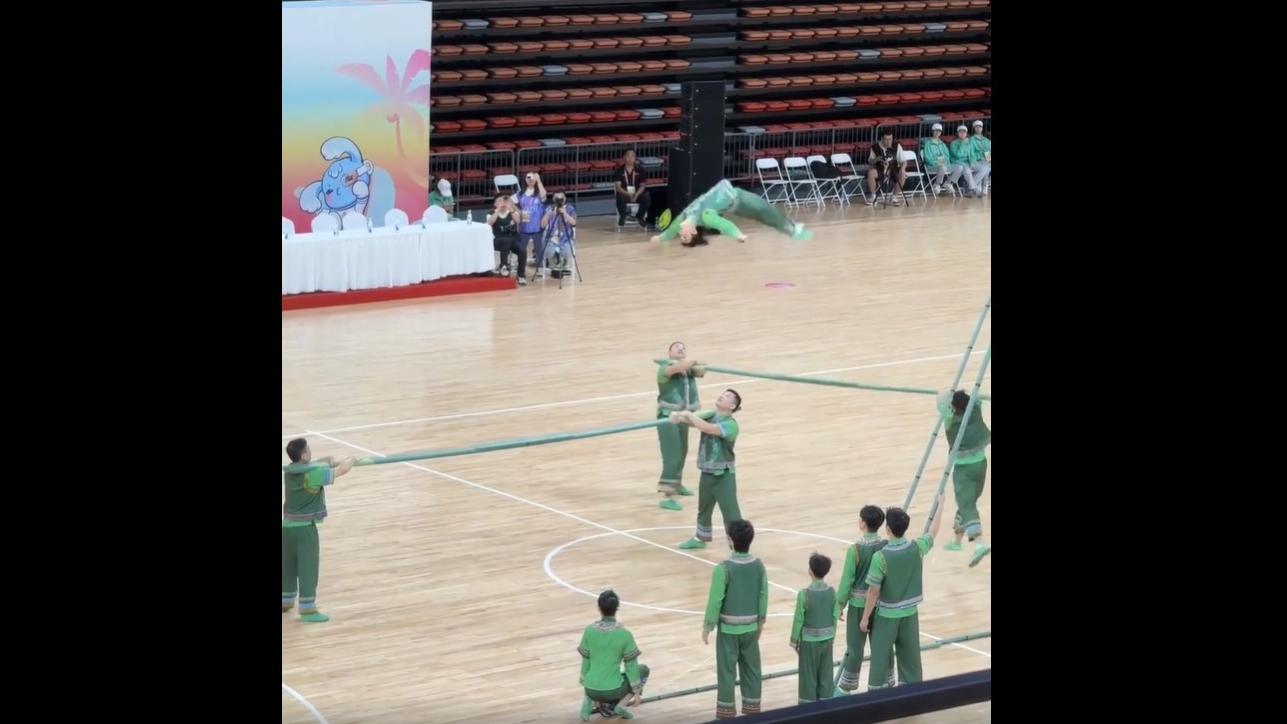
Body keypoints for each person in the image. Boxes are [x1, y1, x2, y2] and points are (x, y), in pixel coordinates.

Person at [859, 495, 945, 689]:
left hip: (887, 616)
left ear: (888, 530)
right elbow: (933, 532)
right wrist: (941, 505)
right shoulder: (916, 548)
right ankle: (912, 697)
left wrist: (865, 618)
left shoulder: (880, 557)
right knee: (911, 660)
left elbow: (873, 592)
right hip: (910, 614)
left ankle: (877, 699)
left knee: (880, 659)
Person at [282, 438, 355, 623]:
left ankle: (285, 600)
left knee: (288, 566)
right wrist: (350, 461)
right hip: (305, 530)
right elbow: (340, 471)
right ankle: (308, 609)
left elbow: (318, 463)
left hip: (287, 528)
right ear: (305, 454)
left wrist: (332, 459)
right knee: (307, 567)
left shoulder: (290, 472)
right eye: (309, 449)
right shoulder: (313, 475)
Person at [702, 519, 767, 720]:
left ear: (730, 540)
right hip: (751, 629)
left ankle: (726, 713)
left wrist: (708, 626)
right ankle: (752, 710)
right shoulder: (759, 566)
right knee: (752, 670)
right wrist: (761, 622)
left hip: (728, 631)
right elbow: (763, 595)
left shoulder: (723, 569)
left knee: (726, 672)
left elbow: (715, 600)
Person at [672, 389, 743, 550]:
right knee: (703, 508)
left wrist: (689, 415)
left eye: (727, 397)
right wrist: (679, 416)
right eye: (723, 393)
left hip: (723, 475)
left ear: (732, 406)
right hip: (707, 471)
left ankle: (738, 546)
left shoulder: (731, 425)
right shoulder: (711, 414)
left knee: (731, 513)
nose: (722, 395)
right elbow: (692, 421)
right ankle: (700, 538)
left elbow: (708, 428)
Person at [650, 179, 811, 246]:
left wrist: (660, 238)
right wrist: (738, 235)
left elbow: (669, 233)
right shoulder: (705, 217)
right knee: (765, 212)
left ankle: (791, 228)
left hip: (734, 196)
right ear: (693, 231)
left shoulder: (683, 218)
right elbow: (724, 225)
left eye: (681, 237)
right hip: (740, 201)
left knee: (766, 213)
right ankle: (792, 229)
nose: (681, 234)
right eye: (685, 237)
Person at [834, 505, 891, 694]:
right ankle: (883, 683)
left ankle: (845, 688)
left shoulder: (855, 550)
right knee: (882, 646)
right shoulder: (885, 546)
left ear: (863, 524)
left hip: (859, 607)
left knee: (855, 648)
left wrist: (839, 605)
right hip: (881, 606)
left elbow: (846, 581)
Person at [937, 389, 991, 566]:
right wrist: (963, 394)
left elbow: (940, 398)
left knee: (966, 504)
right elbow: (975, 396)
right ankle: (957, 542)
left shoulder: (949, 419)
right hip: (981, 464)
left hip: (963, 469)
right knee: (967, 502)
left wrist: (949, 392)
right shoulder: (974, 409)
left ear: (953, 407)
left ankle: (979, 545)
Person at [578, 589, 649, 721]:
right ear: (617, 608)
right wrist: (637, 693)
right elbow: (632, 667)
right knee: (643, 669)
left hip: (590, 689)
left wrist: (585, 686)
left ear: (599, 608)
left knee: (598, 676)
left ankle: (589, 700)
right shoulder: (624, 634)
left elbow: (585, 662)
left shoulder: (589, 631)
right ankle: (620, 706)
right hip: (613, 690)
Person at [655, 341, 704, 510]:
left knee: (682, 450)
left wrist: (695, 366)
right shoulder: (665, 368)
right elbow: (673, 370)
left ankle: (677, 484)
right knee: (672, 454)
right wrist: (691, 363)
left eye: (684, 347)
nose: (681, 348)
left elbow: (701, 371)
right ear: (669, 352)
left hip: (683, 416)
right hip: (668, 417)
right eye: (677, 347)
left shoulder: (687, 369)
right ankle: (667, 495)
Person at [790, 552, 838, 705]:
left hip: (809, 643)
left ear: (810, 571)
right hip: (827, 640)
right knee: (825, 675)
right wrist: (832, 637)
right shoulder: (831, 592)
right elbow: (834, 616)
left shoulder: (804, 594)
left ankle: (808, 711)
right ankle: (827, 708)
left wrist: (794, 641)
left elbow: (798, 620)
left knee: (808, 677)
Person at [487, 194, 527, 286]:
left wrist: (512, 209)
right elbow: (489, 223)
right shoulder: (491, 212)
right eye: (499, 201)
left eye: (504, 201)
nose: (502, 203)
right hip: (498, 240)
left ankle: (521, 275)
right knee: (506, 240)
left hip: (513, 239)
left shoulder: (511, 212)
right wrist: (497, 211)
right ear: (495, 203)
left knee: (522, 249)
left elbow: (518, 221)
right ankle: (503, 266)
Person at [513, 172, 547, 270]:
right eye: (528, 178)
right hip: (525, 224)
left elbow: (544, 196)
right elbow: (511, 202)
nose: (530, 180)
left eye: (532, 178)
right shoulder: (520, 193)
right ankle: (520, 267)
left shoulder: (539, 192)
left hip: (537, 225)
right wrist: (519, 211)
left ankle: (540, 267)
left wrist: (539, 180)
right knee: (522, 247)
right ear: (525, 179)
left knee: (538, 247)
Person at [539, 192, 577, 278]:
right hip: (552, 238)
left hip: (565, 238)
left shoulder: (570, 209)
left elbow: (574, 223)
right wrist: (548, 214)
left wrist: (565, 214)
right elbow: (542, 225)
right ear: (553, 200)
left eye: (561, 199)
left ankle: (562, 265)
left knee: (567, 253)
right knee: (548, 253)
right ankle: (553, 264)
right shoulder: (549, 208)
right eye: (557, 199)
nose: (559, 201)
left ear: (565, 199)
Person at [921, 123, 966, 196]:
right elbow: (927, 159)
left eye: (939, 131)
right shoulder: (928, 144)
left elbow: (947, 156)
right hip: (932, 166)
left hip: (944, 165)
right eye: (936, 130)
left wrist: (945, 162)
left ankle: (948, 183)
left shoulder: (942, 144)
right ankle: (937, 184)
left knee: (959, 167)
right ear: (932, 131)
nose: (937, 132)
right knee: (943, 167)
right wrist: (937, 162)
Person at [866, 130, 907, 205]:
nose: (888, 141)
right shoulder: (875, 147)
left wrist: (902, 169)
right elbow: (870, 162)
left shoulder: (897, 145)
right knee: (871, 173)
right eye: (886, 139)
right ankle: (873, 196)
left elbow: (904, 161)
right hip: (880, 169)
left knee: (903, 174)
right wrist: (876, 159)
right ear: (881, 139)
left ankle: (894, 197)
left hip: (893, 169)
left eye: (890, 139)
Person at [614, 149, 652, 229]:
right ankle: (623, 216)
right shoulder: (619, 171)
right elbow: (618, 187)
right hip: (625, 194)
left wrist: (636, 194)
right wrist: (628, 194)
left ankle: (640, 217)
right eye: (628, 155)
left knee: (647, 196)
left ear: (635, 158)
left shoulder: (640, 170)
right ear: (624, 158)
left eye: (632, 156)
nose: (630, 158)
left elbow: (642, 185)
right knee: (619, 195)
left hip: (637, 194)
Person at [948, 127, 981, 197]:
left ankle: (970, 186)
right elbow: (958, 155)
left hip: (968, 163)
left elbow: (972, 154)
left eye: (964, 132)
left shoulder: (969, 143)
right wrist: (962, 143)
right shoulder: (954, 143)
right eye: (960, 132)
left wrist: (972, 161)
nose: (962, 134)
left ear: (966, 133)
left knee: (984, 168)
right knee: (966, 169)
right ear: (957, 133)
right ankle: (972, 188)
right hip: (957, 163)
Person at [968, 120, 992, 194]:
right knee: (985, 168)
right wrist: (978, 159)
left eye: (980, 127)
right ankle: (974, 186)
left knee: (988, 166)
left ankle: (980, 186)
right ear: (974, 128)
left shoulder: (986, 140)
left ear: (982, 128)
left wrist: (989, 160)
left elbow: (988, 152)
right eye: (976, 127)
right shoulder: (971, 140)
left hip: (985, 161)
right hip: (975, 161)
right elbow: (971, 152)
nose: (978, 128)